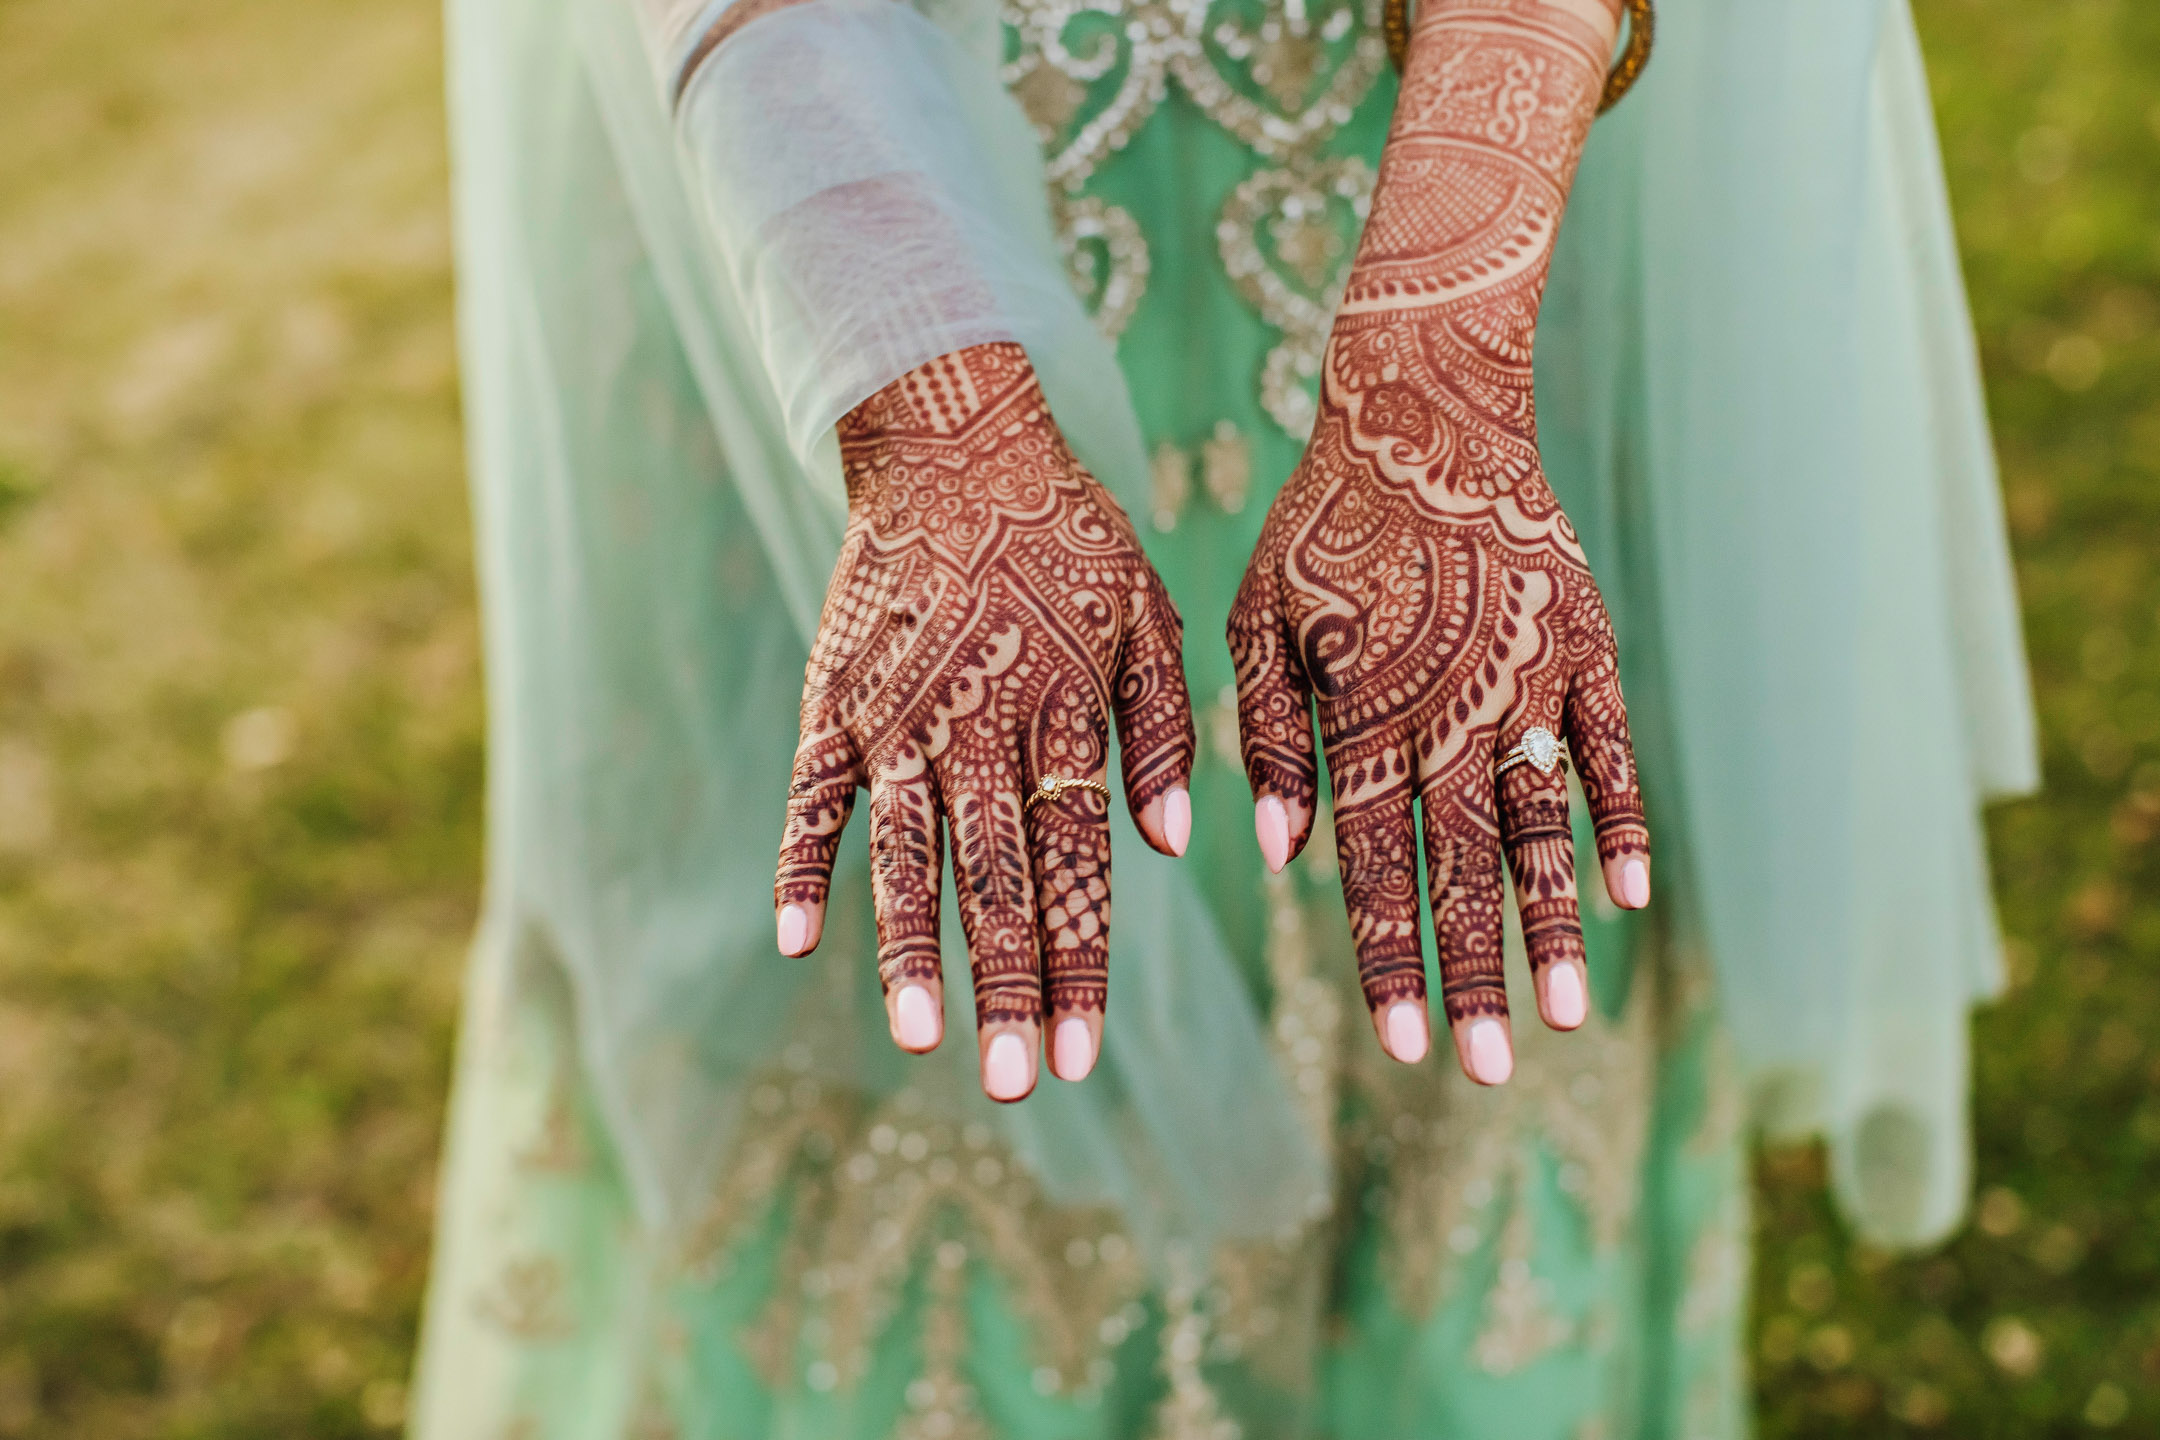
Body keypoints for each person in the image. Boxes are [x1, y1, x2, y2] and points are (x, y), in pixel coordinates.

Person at [410, 0, 2037, 1433]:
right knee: (914, 937)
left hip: (1412, 119)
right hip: (780, 154)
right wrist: (921, 390)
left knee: (1454, 899)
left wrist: (1440, 347)